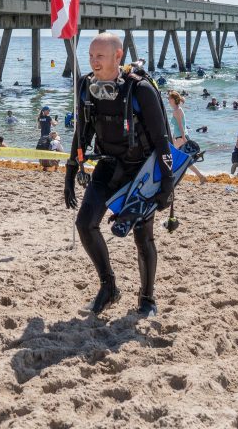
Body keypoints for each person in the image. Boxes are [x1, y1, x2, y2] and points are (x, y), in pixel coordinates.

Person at [65, 33, 174, 317]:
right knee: (85, 223)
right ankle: (109, 286)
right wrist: (70, 169)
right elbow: (83, 131)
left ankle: (147, 298)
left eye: (99, 56)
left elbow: (162, 141)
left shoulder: (141, 90)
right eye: (90, 56)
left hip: (142, 170)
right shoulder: (86, 86)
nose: (93, 62)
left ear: (118, 56)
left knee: (143, 236)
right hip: (110, 165)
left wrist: (167, 184)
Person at [167, 91, 207, 184]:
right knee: (186, 160)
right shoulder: (177, 109)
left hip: (181, 137)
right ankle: (201, 177)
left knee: (173, 157)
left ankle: (172, 178)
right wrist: (173, 138)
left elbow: (181, 126)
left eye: (169, 98)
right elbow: (177, 126)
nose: (168, 100)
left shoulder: (177, 111)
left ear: (173, 99)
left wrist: (183, 138)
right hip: (180, 137)